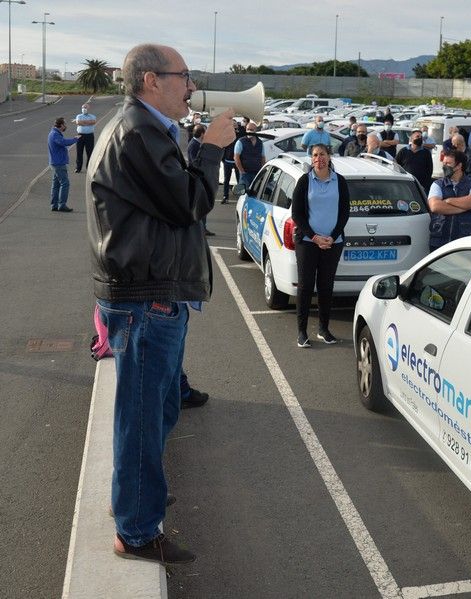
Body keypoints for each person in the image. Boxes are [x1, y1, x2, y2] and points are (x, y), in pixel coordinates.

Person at [88, 43, 235, 565]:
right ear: (152, 80)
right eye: (183, 76)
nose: (190, 85)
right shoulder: (138, 133)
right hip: (146, 300)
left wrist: (197, 151)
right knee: (144, 419)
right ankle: (136, 529)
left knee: (157, 410)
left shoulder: (144, 129)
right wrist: (212, 148)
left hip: (152, 296)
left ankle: (137, 495)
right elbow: (189, 203)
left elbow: (172, 200)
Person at [291, 144, 350, 348]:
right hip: (308, 242)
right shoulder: (305, 181)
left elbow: (344, 213)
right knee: (306, 286)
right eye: (315, 155)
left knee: (326, 287)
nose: (319, 158)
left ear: (329, 156)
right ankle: (302, 332)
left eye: (322, 154)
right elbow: (297, 215)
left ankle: (323, 329)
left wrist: (332, 237)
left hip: (333, 243)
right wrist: (315, 237)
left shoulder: (340, 181)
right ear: (311, 158)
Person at [426, 149, 471, 251]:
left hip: (464, 242)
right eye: (444, 163)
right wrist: (465, 207)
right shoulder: (437, 184)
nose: (445, 166)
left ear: (459, 166)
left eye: (448, 163)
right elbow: (435, 207)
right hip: (439, 241)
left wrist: (448, 201)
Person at [47, 116, 79, 212]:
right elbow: (63, 142)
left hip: (55, 162)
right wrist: (75, 139)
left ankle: (54, 205)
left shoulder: (55, 133)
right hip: (59, 163)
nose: (66, 126)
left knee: (56, 184)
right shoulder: (55, 135)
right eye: (65, 124)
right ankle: (62, 205)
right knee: (65, 183)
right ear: (61, 125)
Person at [234, 121, 263, 186]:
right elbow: (236, 158)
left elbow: (263, 157)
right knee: (244, 192)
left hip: (257, 173)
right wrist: (242, 172)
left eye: (251, 130)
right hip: (245, 174)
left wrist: (261, 171)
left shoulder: (260, 142)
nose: (249, 131)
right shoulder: (240, 142)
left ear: (255, 130)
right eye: (248, 129)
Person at [73, 103, 97, 173]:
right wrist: (88, 122)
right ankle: (78, 168)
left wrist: (83, 122)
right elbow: (78, 122)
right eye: (83, 108)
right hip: (80, 135)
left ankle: (89, 168)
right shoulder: (79, 116)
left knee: (89, 152)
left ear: (88, 109)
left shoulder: (92, 116)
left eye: (85, 108)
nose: (84, 109)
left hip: (89, 136)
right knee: (79, 152)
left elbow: (93, 122)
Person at [220, 121, 238, 203]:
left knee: (239, 180)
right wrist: (223, 160)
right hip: (227, 161)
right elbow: (222, 148)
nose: (234, 126)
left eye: (235, 125)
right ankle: (225, 196)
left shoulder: (240, 135)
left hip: (237, 162)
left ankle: (240, 196)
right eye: (232, 125)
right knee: (226, 180)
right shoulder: (226, 136)